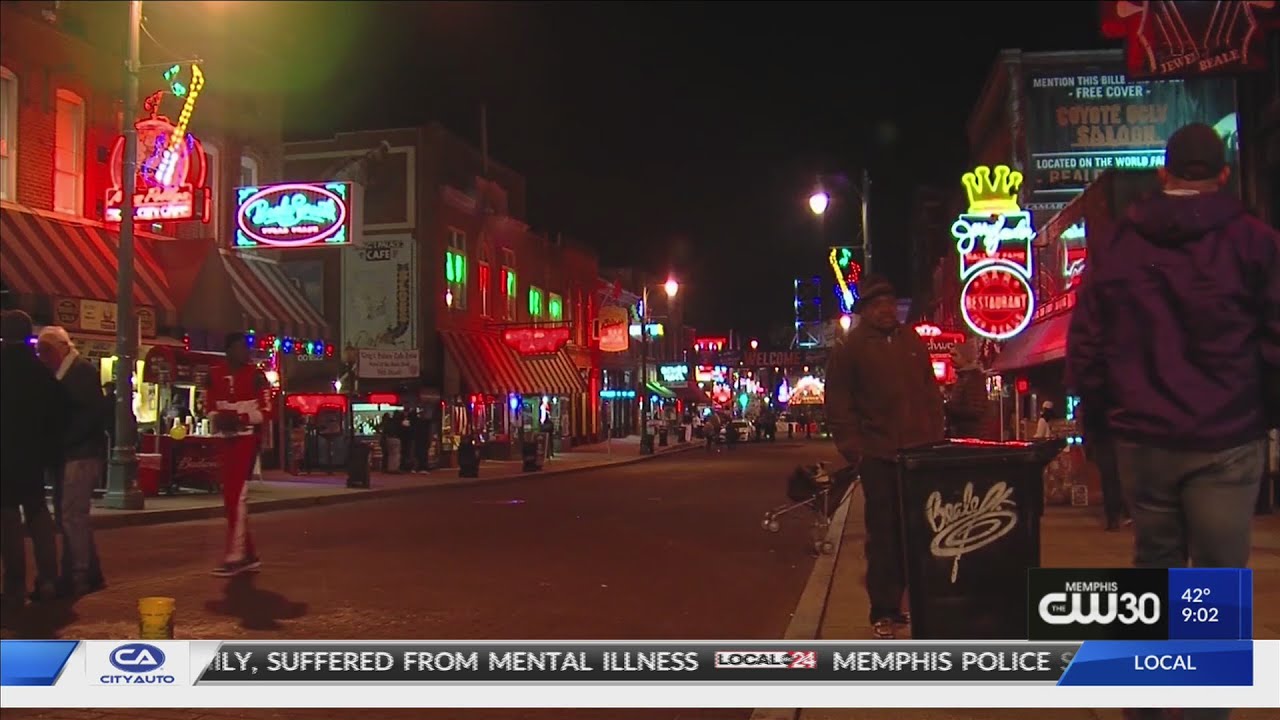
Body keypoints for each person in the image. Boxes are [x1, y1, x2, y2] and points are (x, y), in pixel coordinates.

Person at [1067, 124, 1278, 719]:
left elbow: (1089, 338)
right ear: (1222, 175)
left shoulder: (1118, 245)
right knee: (1214, 581)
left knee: (1152, 569)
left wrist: (1101, 418)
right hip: (1227, 434)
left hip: (1144, 436)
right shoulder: (1255, 242)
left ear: (1164, 174)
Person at [825, 275, 945, 639]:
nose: (887, 310)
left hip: (919, 453)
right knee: (884, 537)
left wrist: (935, 434)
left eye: (891, 304)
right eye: (878, 305)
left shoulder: (911, 342)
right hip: (878, 455)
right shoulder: (851, 348)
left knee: (920, 532)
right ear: (865, 311)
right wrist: (855, 450)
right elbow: (839, 405)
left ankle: (914, 604)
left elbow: (928, 389)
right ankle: (885, 610)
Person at [36, 326, 107, 598]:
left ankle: (78, 573)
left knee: (72, 515)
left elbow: (90, 416)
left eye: (47, 351)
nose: (43, 357)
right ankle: (87, 570)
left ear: (62, 348)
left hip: (80, 454)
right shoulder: (66, 372)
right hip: (71, 453)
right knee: (73, 516)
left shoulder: (81, 373)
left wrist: (63, 440)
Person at [1, 311, 63, 611]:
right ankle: (48, 579)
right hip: (34, 457)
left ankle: (14, 586)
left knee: (9, 521)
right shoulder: (41, 373)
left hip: (5, 456)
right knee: (39, 515)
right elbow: (55, 418)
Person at [207, 331, 271, 577]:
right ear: (229, 349)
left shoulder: (256, 376)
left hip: (246, 439)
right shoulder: (214, 374)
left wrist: (240, 418)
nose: (246, 352)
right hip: (225, 440)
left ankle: (236, 555)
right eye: (241, 347)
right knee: (230, 498)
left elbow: (267, 411)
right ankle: (249, 553)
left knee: (236, 496)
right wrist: (218, 418)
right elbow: (209, 405)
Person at [944, 337, 999, 440]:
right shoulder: (964, 377)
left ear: (965, 357)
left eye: (955, 355)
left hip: (972, 437)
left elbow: (975, 410)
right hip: (965, 436)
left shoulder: (973, 378)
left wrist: (948, 408)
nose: (950, 358)